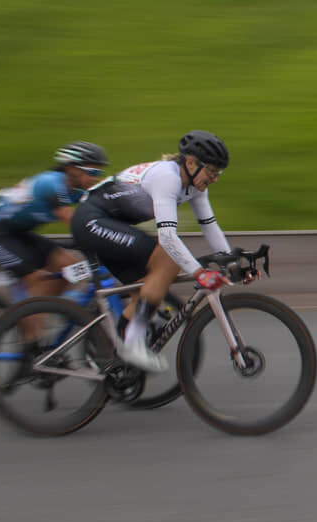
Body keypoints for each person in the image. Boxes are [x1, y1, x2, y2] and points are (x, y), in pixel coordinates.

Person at [71, 130, 251, 373]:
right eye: (211, 171)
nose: (215, 178)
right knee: (166, 261)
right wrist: (199, 273)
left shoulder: (195, 186)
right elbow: (167, 237)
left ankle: (123, 351)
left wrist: (232, 266)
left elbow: (209, 226)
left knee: (151, 284)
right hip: (90, 220)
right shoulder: (168, 178)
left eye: (219, 173)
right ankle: (132, 343)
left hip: (109, 223)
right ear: (190, 163)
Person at [0, 142, 110, 330]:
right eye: (92, 172)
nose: (94, 178)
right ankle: (24, 336)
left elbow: (98, 213)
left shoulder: (74, 190)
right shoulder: (51, 183)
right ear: (71, 168)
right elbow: (74, 222)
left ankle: (42, 312)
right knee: (36, 280)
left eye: (98, 173)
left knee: (70, 268)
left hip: (19, 234)